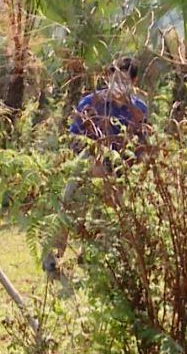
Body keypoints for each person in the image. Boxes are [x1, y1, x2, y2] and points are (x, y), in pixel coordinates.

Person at [42, 56, 149, 282]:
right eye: (115, 77)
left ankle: (97, 262)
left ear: (133, 80)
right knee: (67, 204)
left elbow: (141, 146)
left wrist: (121, 166)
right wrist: (93, 159)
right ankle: (52, 260)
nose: (118, 83)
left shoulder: (139, 108)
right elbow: (74, 138)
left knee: (109, 217)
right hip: (87, 161)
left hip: (119, 169)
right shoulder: (89, 102)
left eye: (124, 78)